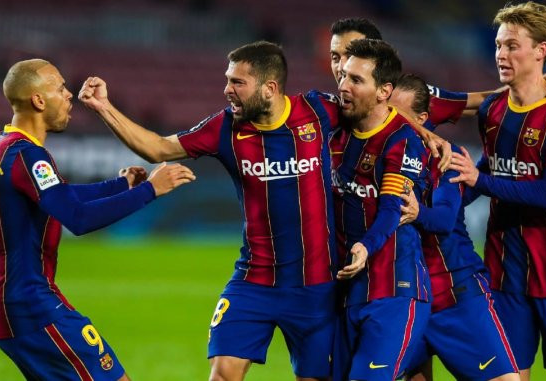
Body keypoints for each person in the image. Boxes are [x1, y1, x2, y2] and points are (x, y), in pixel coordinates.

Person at [79, 41, 347, 381]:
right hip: (254, 281)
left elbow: (382, 111)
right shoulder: (225, 128)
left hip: (316, 287)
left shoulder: (318, 110)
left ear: (270, 88)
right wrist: (104, 107)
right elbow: (158, 147)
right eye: (227, 79)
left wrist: (428, 136)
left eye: (237, 82)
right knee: (222, 375)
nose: (227, 90)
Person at [0, 59, 195, 380]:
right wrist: (150, 190)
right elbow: (77, 218)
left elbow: (60, 198)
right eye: (59, 88)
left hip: (5, 301)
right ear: (38, 100)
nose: (68, 96)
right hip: (31, 305)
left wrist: (120, 185)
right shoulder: (28, 155)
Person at [448, 3, 546, 380]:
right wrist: (447, 199)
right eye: (498, 45)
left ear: (541, 50)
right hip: (504, 271)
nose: (501, 54)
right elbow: (491, 168)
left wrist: (478, 182)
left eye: (512, 45)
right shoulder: (492, 110)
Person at [391, 74, 520, 381]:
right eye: (388, 112)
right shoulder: (376, 154)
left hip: (455, 294)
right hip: (406, 301)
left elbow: (446, 219)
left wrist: (417, 211)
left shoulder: (444, 157)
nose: (392, 121)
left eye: (400, 115)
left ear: (422, 118)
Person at [329, 38, 431, 381]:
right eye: (343, 75)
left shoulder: (402, 141)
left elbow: (392, 209)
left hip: (393, 289)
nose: (343, 86)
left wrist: (364, 246)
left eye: (356, 80)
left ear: (384, 90)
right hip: (347, 289)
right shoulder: (334, 131)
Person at [328, 17, 546, 127]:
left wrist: (541, 81)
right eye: (335, 57)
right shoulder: (319, 110)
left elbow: (483, 100)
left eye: (350, 57)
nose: (341, 67)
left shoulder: (409, 98)